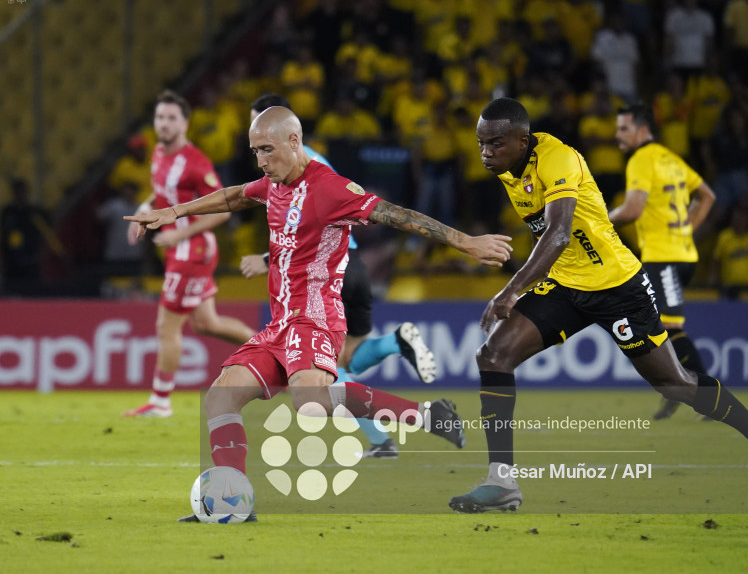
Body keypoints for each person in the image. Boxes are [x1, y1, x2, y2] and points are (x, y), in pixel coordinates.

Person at [126, 106, 514, 520]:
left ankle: (425, 415)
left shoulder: (331, 189)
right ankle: (230, 501)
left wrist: (465, 242)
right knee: (221, 398)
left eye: (267, 150)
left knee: (310, 404)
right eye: (255, 151)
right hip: (281, 323)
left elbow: (399, 216)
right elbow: (237, 194)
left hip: (316, 317)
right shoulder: (274, 182)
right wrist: (174, 212)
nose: (261, 161)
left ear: (294, 142)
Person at [448, 97, 748, 514]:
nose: (485, 153)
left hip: (616, 284)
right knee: (494, 354)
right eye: (481, 143)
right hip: (566, 283)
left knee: (674, 383)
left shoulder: (557, 159)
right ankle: (501, 482)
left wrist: (511, 290)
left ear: (524, 140)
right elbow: (552, 241)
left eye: (495, 144)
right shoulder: (507, 165)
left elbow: (556, 235)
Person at [240, 93, 439, 458]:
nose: (260, 155)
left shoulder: (304, 167)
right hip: (352, 266)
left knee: (322, 375)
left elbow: (310, 222)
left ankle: (398, 426)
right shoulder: (305, 160)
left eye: (264, 138)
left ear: (286, 131)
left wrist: (269, 258)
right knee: (344, 362)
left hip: (329, 272)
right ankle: (394, 353)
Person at [123, 90, 257, 418]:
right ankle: (273, 355)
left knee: (166, 326)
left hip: (192, 251)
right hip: (178, 251)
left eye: (171, 118)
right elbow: (160, 195)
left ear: (184, 123)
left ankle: (160, 401)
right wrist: (144, 209)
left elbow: (223, 211)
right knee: (206, 324)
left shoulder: (196, 163)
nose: (164, 124)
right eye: (160, 118)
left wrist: (180, 233)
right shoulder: (158, 153)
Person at [609, 103, 716, 420]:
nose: (617, 134)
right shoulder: (671, 158)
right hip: (675, 254)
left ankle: (709, 396)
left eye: (623, 128)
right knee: (653, 329)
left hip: (664, 257)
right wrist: (687, 231)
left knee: (670, 330)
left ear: (643, 130)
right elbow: (706, 196)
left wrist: (599, 220)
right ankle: (674, 390)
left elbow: (631, 210)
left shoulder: (642, 159)